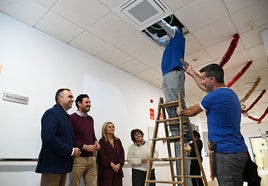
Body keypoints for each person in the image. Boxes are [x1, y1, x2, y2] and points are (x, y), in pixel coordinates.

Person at [177, 63, 248, 186]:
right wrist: (192, 73)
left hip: (227, 154)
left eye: (204, 78)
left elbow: (193, 111)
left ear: (213, 79)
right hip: (236, 152)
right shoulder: (229, 94)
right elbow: (206, 88)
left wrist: (182, 111)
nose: (202, 82)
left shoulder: (214, 96)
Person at [146, 18, 191, 185]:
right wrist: (147, 31)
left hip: (174, 72)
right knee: (170, 103)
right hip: (166, 74)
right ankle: (174, 131)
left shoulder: (179, 37)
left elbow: (168, 27)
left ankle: (184, 130)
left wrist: (157, 18)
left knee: (176, 102)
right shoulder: (169, 43)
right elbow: (158, 40)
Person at [36, 88, 81, 186]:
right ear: (60, 98)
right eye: (69, 96)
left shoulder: (64, 116)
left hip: (61, 165)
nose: (72, 99)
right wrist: (71, 151)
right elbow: (48, 138)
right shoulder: (52, 113)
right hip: (53, 165)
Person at [69, 94, 101, 186]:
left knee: (93, 184)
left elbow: (92, 135)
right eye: (86, 102)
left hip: (91, 158)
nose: (89, 104)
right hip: (78, 158)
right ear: (79, 103)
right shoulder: (72, 118)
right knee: (74, 184)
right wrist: (84, 146)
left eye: (89, 102)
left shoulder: (90, 119)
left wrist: (96, 142)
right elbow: (70, 138)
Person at [97, 121, 125, 186]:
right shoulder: (102, 141)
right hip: (106, 172)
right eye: (110, 127)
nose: (112, 128)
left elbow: (122, 153)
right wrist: (112, 165)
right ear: (105, 130)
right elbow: (102, 156)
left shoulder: (118, 141)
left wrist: (118, 165)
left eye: (113, 127)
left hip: (117, 172)